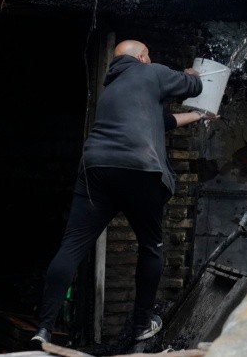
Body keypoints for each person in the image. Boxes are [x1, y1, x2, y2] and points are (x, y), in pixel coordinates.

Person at [31, 39, 216, 346]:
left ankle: (43, 329)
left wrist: (201, 116)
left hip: (97, 170)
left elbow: (164, 121)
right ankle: (143, 324)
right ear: (142, 57)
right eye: (149, 55)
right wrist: (192, 75)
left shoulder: (113, 89)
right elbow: (194, 87)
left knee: (72, 247)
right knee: (151, 247)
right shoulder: (150, 72)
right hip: (139, 169)